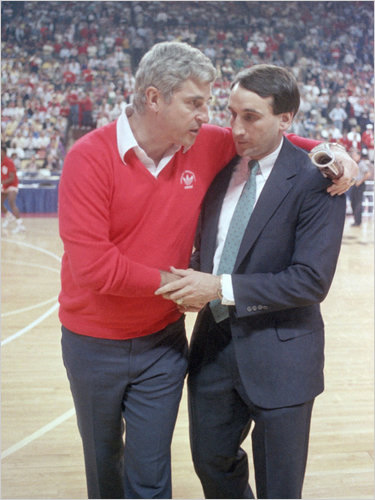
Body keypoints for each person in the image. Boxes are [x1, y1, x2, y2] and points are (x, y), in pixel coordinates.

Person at [58, 42, 357, 500]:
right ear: (155, 99)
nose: (218, 121)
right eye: (198, 104)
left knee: (154, 475)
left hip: (167, 340)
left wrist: (335, 151)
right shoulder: (92, 156)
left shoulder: (210, 146)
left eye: (213, 107)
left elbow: (277, 140)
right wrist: (186, 286)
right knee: (110, 462)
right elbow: (96, 267)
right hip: (100, 339)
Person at [156, 64, 347, 499]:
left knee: (279, 486)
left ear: (286, 119)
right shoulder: (220, 173)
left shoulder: (320, 182)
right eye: (231, 114)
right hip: (214, 349)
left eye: (251, 117)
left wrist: (219, 288)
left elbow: (310, 281)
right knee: (210, 463)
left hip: (282, 354)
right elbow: (214, 249)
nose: (236, 129)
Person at [1, 146, 25, 233]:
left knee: (11, 202)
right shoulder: (1, 162)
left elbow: (11, 177)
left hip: (12, 184)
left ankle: (20, 225)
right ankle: (9, 216)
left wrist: (1, 182)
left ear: (4, 152)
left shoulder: (9, 162)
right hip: (4, 185)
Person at [349, 148, 372, 227]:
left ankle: (358, 221)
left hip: (360, 185)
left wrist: (360, 181)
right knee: (353, 203)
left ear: (359, 156)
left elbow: (368, 174)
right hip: (354, 184)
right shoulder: (355, 164)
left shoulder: (361, 163)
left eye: (354, 155)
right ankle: (356, 220)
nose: (353, 156)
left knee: (358, 203)